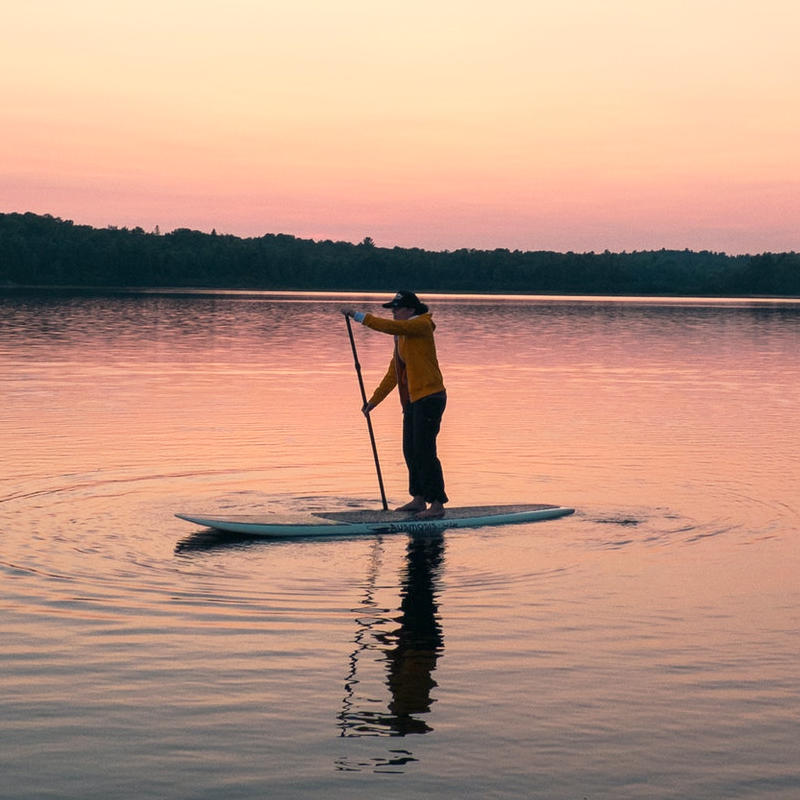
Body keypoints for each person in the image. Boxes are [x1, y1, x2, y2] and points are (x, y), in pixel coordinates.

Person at [342, 291, 448, 519]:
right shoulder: (402, 336)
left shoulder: (421, 325)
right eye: (392, 309)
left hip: (430, 397)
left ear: (410, 309)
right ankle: (419, 499)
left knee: (425, 451)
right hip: (412, 401)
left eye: (397, 309)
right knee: (410, 450)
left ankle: (437, 504)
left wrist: (357, 315)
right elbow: (394, 373)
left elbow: (391, 328)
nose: (393, 313)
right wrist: (373, 401)